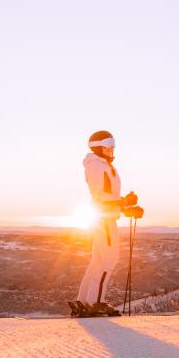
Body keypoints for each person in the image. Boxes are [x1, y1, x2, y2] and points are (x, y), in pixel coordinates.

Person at [70, 130, 138, 317]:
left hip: (104, 217)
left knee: (97, 262)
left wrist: (125, 207)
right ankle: (95, 303)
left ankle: (83, 301)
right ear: (98, 146)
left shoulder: (102, 165)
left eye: (113, 143)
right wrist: (124, 203)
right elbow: (100, 197)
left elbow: (108, 198)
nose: (113, 148)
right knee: (108, 260)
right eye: (109, 144)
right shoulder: (98, 166)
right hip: (104, 220)